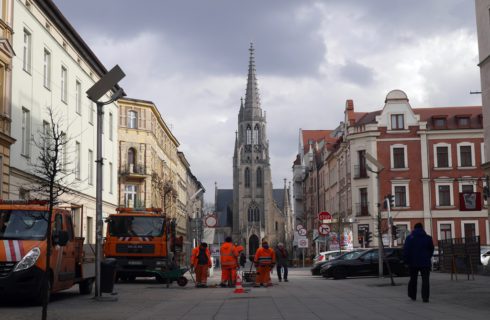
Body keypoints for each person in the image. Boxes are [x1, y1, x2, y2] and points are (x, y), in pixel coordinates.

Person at [403, 223, 434, 303]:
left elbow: (406, 250)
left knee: (413, 279)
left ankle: (413, 295)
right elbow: (431, 249)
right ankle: (425, 298)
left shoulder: (409, 238)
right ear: (422, 228)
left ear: (414, 228)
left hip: (413, 262)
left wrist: (406, 261)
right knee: (425, 280)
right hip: (425, 262)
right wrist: (427, 257)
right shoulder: (428, 238)